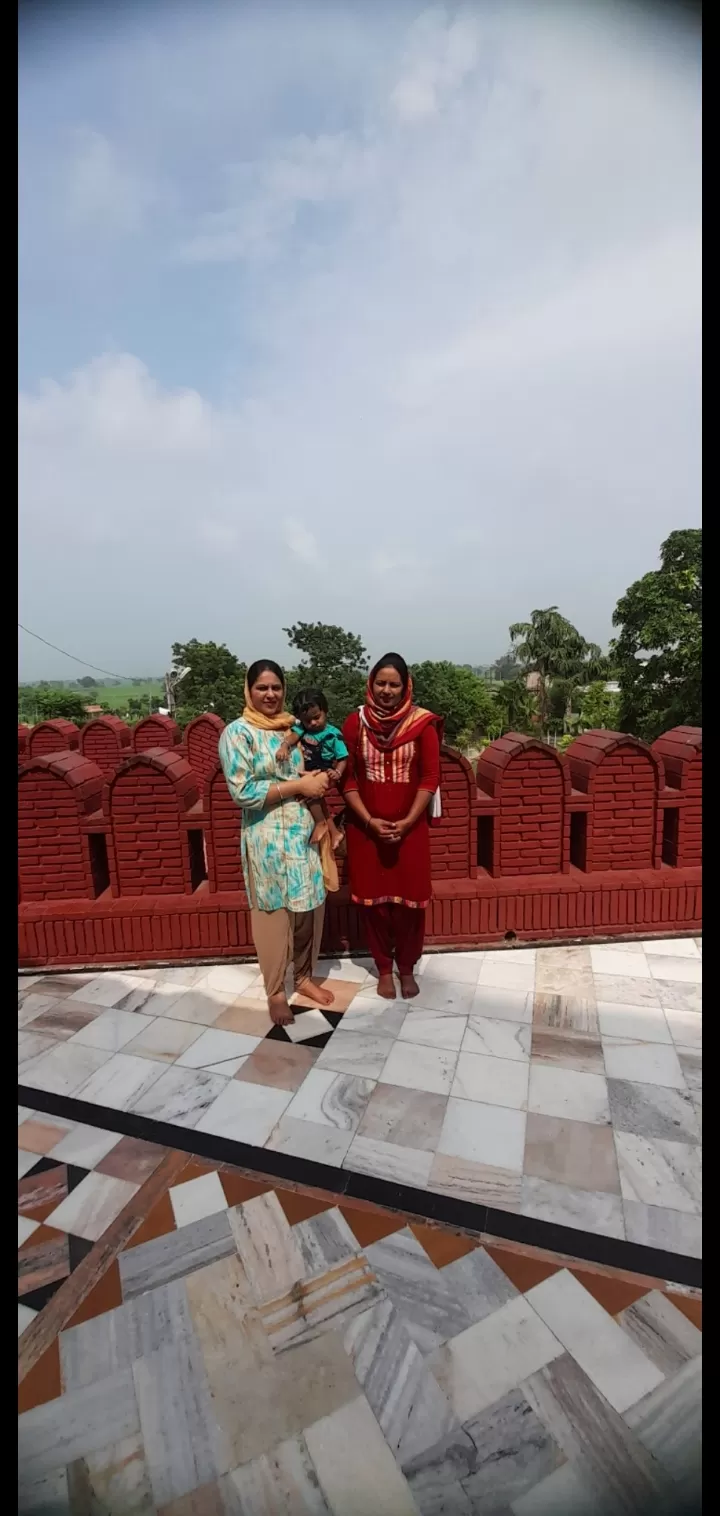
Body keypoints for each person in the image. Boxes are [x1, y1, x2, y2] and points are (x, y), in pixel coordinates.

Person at [218, 659, 333, 1026]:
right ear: (248, 691)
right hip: (265, 837)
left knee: (306, 911)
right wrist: (297, 786)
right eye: (262, 688)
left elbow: (318, 764)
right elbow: (242, 791)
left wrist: (318, 782)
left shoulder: (294, 728)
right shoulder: (238, 733)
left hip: (302, 834)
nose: (270, 694)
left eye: (276, 687)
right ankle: (275, 991)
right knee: (272, 915)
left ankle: (302, 977)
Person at [342, 653, 442, 1000]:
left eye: (393, 684)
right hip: (365, 831)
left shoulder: (422, 725)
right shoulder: (355, 724)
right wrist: (369, 821)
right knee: (374, 905)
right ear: (371, 684)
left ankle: (407, 967)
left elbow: (430, 777)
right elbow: (347, 778)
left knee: (411, 906)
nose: (386, 690)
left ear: (405, 687)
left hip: (410, 830)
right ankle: (384, 967)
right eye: (380, 683)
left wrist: (407, 821)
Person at [276, 688, 348, 850]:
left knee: (312, 795)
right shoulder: (303, 729)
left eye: (317, 717)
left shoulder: (333, 734)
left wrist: (337, 772)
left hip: (323, 769)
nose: (313, 723)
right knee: (318, 800)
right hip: (308, 770)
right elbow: (292, 737)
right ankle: (334, 832)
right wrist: (285, 746)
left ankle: (320, 822)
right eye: (308, 721)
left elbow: (343, 758)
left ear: (325, 711)